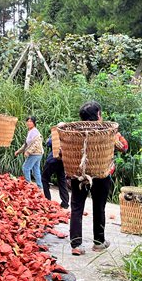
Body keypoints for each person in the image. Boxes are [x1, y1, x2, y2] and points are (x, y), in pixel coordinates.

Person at [69, 101, 128, 256]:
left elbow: (61, 152)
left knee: (76, 207)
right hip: (101, 174)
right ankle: (98, 242)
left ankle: (75, 245)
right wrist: (117, 136)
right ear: (99, 115)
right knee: (99, 207)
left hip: (78, 174)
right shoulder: (107, 131)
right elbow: (124, 147)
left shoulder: (73, 132)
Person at [42, 123, 69, 208]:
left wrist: (51, 136)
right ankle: (65, 203)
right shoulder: (69, 136)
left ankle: (47, 199)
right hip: (62, 161)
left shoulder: (56, 135)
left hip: (52, 161)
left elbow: (48, 143)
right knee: (62, 181)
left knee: (44, 179)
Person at [14, 116, 44, 191]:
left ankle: (28, 184)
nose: (29, 123)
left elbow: (36, 143)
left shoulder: (35, 131)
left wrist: (28, 152)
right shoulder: (30, 131)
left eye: (31, 121)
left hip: (35, 153)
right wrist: (19, 151)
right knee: (36, 170)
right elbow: (26, 144)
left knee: (25, 167)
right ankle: (40, 187)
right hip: (38, 154)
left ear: (34, 123)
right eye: (27, 121)